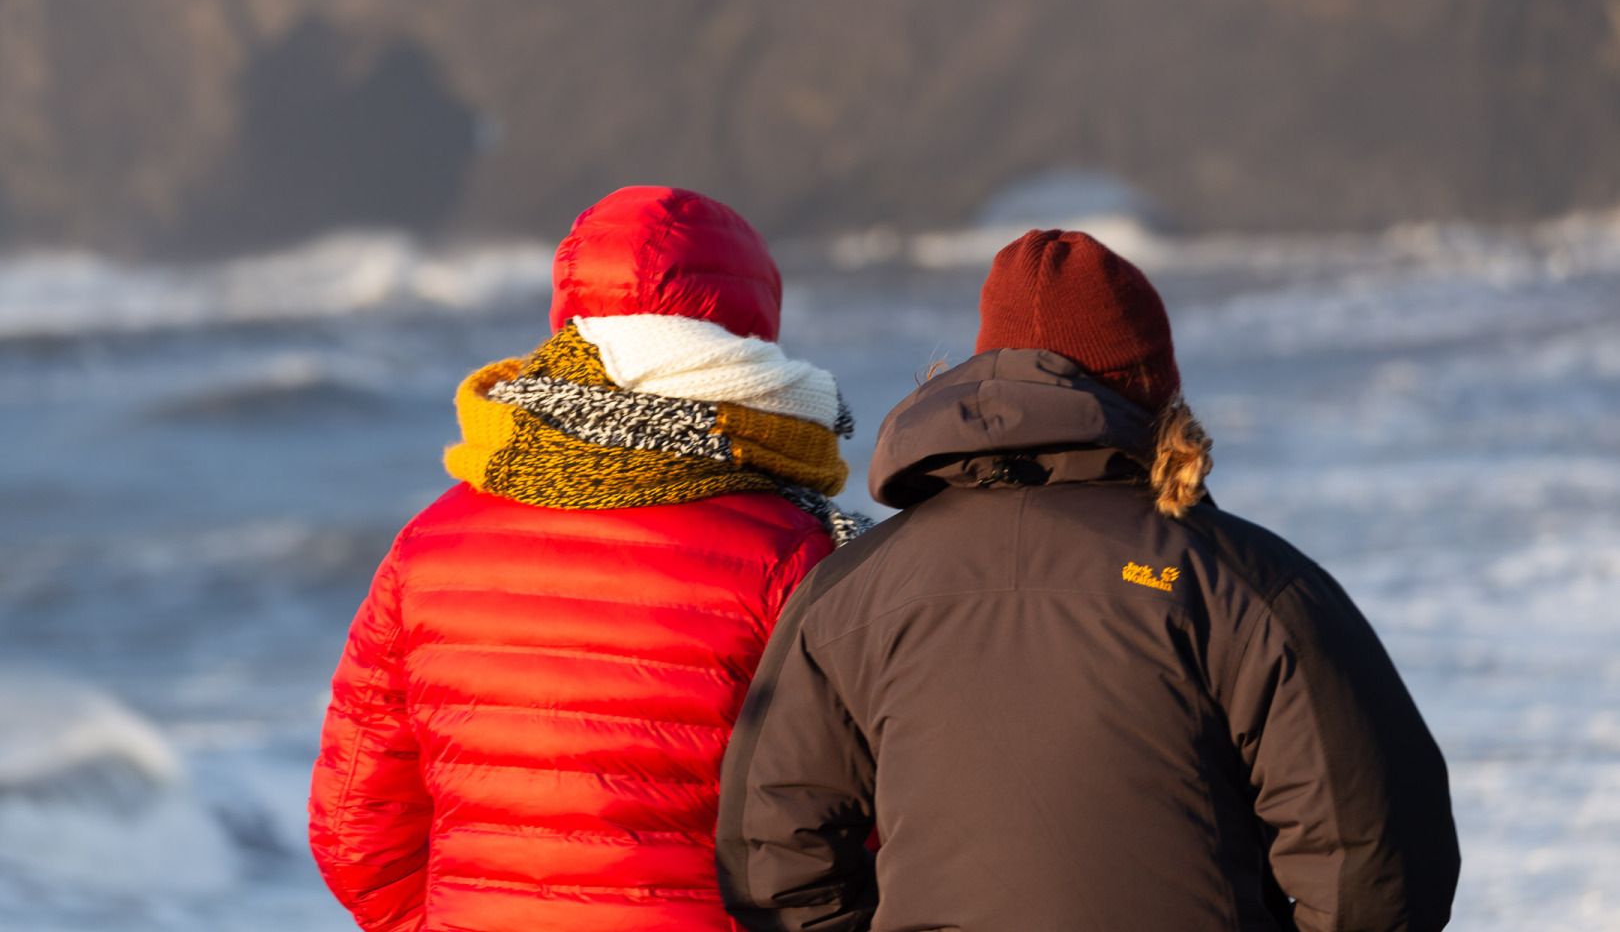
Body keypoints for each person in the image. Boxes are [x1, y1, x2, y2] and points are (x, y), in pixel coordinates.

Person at [717, 229, 1460, 932]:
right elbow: (1376, 858)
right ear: (1150, 391)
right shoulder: (1246, 585)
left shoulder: (851, 593)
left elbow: (774, 863)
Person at [309, 186, 869, 932]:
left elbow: (354, 827)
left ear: (570, 319)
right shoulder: (796, 553)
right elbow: (848, 826)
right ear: (753, 333)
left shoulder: (429, 544)